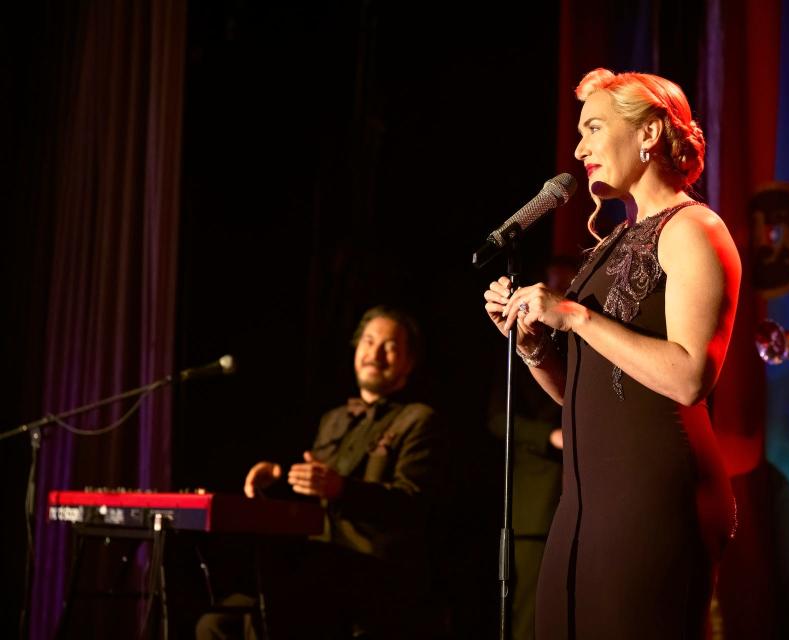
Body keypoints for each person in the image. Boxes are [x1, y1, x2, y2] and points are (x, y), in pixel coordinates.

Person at [483, 68, 740, 638]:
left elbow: (691, 376)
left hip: (652, 498)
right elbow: (585, 390)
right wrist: (532, 349)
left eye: (594, 128)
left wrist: (573, 316)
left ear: (649, 134)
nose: (579, 149)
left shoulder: (694, 228)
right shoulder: (612, 244)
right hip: (586, 503)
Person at [196, 305, 447, 640]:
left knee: (272, 617)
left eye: (389, 346)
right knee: (216, 624)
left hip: (372, 575)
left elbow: (411, 504)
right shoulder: (333, 419)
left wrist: (342, 489)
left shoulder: (417, 419)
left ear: (408, 363)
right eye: (368, 342)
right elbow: (316, 484)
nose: (375, 353)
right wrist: (281, 475)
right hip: (315, 567)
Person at [487, 257, 574, 640]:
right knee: (530, 618)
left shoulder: (586, 337)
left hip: (583, 499)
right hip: (536, 506)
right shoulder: (519, 343)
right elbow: (497, 419)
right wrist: (549, 437)